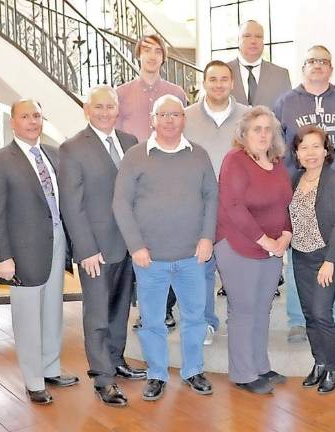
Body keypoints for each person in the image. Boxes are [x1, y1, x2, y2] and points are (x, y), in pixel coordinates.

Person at [113, 95, 218, 400]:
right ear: (153, 120)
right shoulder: (135, 156)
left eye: (176, 114)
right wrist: (136, 246)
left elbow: (212, 196)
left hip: (193, 256)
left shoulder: (198, 155)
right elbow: (121, 203)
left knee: (195, 317)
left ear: (184, 119)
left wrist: (207, 237)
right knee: (152, 320)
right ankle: (157, 373)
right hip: (149, 259)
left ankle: (193, 370)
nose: (170, 120)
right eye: (164, 114)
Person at [0, 99, 79, 405]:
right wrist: (2, 257)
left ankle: (50, 368)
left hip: (56, 242)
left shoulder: (52, 153)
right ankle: (34, 380)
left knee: (52, 310)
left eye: (37, 115)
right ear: (13, 122)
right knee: (27, 317)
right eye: (25, 116)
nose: (33, 121)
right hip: (20, 252)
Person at [58, 85, 146, 407]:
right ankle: (102, 377)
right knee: (96, 313)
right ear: (87, 110)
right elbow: (71, 204)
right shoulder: (72, 148)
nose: (106, 112)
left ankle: (116, 359)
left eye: (110, 107)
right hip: (95, 248)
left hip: (128, 244)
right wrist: (85, 249)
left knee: (121, 308)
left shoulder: (130, 143)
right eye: (99, 107)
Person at [274, 44, 335, 344]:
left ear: (331, 67)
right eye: (312, 61)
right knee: (298, 258)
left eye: (324, 61)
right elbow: (276, 147)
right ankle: (298, 320)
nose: (318, 65)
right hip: (299, 192)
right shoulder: (286, 102)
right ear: (303, 67)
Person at [214, 106, 293, 395]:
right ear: (244, 134)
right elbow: (234, 207)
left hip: (272, 248)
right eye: (256, 129)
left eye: (267, 128)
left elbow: (285, 201)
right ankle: (243, 373)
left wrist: (285, 233)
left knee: (263, 309)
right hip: (238, 245)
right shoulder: (234, 160)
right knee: (244, 310)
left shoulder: (277, 161)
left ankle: (261, 366)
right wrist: (266, 240)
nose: (262, 134)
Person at [116, 34, 188, 328]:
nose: (152, 56)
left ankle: (167, 308)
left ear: (163, 57)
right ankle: (146, 308)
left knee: (168, 240)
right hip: (136, 177)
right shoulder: (121, 93)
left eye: (158, 51)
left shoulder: (176, 92)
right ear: (138, 55)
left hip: (169, 175)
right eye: (146, 51)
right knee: (139, 242)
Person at [184, 60, 250, 345]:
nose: (219, 84)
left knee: (238, 269)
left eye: (224, 79)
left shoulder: (248, 116)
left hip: (239, 207)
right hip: (199, 206)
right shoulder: (186, 117)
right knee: (203, 268)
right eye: (213, 79)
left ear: (232, 83)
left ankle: (243, 323)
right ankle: (206, 323)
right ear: (204, 83)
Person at [289, 126, 335, 394]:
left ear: (326, 151)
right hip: (300, 257)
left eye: (316, 146)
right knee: (308, 314)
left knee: (322, 313)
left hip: (325, 258)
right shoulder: (294, 180)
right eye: (304, 147)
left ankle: (333, 367)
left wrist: (331, 260)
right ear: (297, 153)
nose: (310, 153)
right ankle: (319, 362)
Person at [228, 20, 291, 110]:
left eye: (258, 36)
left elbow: (287, 112)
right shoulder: (222, 73)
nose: (253, 41)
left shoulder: (281, 75)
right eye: (247, 36)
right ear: (238, 40)